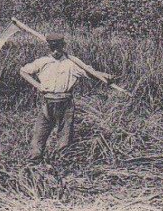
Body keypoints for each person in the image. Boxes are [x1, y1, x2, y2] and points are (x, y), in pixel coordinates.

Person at [19, 33, 110, 162]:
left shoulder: (71, 63)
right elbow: (23, 71)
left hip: (66, 103)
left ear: (63, 46)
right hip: (48, 102)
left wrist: (104, 75)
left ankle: (63, 163)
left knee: (65, 136)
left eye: (59, 47)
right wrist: (38, 86)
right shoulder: (42, 62)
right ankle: (33, 162)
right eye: (53, 48)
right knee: (39, 134)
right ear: (49, 47)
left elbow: (90, 73)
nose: (56, 51)